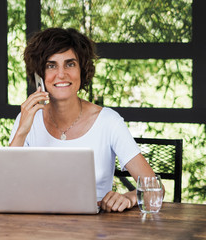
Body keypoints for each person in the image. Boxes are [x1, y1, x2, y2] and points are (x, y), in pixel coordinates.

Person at [9, 28, 161, 212]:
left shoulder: (108, 121)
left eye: (70, 64)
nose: (61, 74)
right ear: (39, 74)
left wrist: (129, 197)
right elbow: (8, 187)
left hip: (95, 228)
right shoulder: (27, 119)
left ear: (82, 69)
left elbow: (156, 189)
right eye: (51, 65)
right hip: (36, 226)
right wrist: (22, 131)